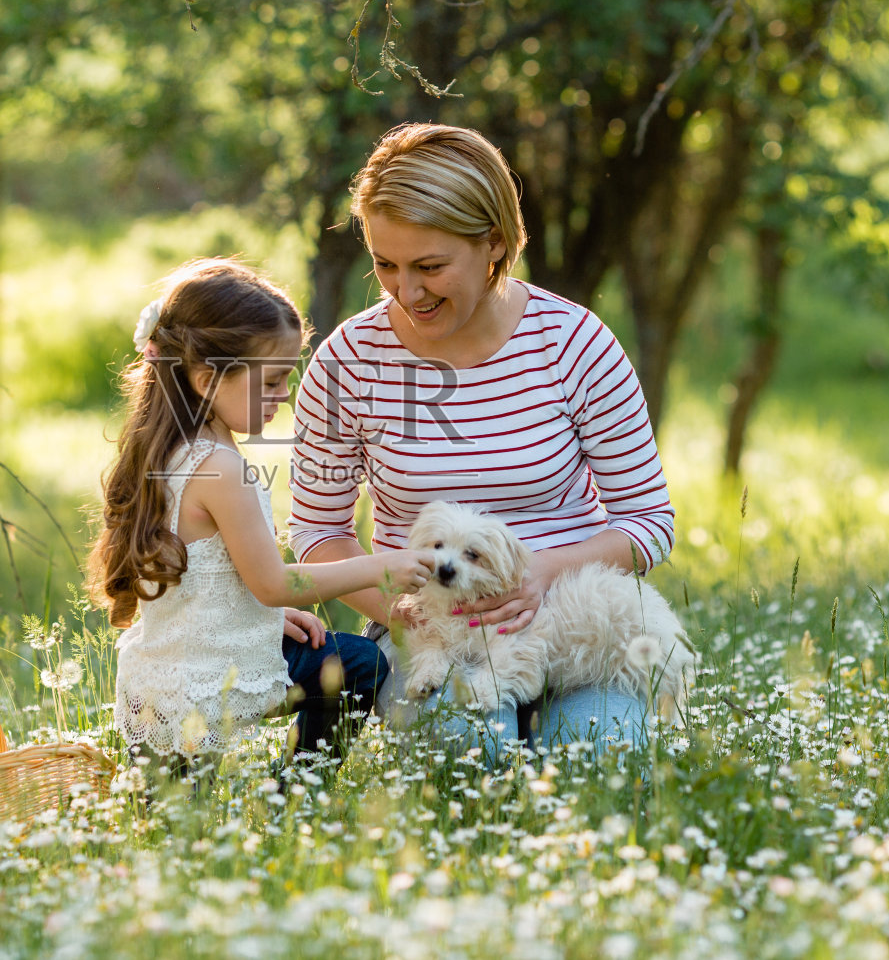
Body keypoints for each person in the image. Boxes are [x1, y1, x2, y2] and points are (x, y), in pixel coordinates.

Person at [287, 123, 678, 763]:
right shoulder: (350, 360)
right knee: (467, 757)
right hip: (429, 635)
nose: (406, 292)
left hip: (573, 627)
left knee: (597, 759)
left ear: (494, 241)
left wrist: (542, 574)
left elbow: (650, 522)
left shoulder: (574, 344)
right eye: (386, 264)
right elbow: (317, 533)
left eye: (430, 266)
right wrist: (410, 610)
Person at [88, 258, 435, 780]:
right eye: (270, 382)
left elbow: (209, 580)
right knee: (360, 665)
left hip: (162, 679)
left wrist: (266, 620)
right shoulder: (222, 467)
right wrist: (379, 568)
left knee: (169, 821)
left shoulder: (165, 449)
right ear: (207, 379)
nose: (283, 396)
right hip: (212, 677)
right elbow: (274, 582)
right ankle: (295, 791)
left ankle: (223, 791)